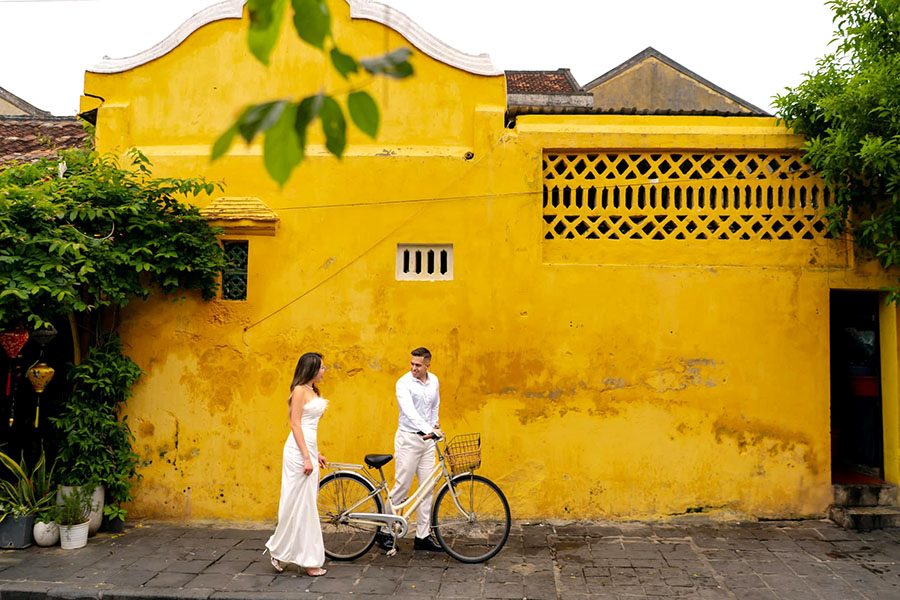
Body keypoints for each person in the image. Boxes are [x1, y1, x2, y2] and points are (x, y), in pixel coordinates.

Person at [265, 352, 329, 576]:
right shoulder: (300, 391)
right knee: (298, 504)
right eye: (321, 367)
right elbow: (295, 425)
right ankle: (306, 560)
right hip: (297, 453)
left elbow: (310, 428)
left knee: (305, 503)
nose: (324, 371)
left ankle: (281, 551)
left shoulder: (313, 391)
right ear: (311, 369)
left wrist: (316, 452)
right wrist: (305, 456)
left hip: (307, 449)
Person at [376, 347, 444, 552]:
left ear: (427, 365)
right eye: (412, 364)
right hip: (408, 439)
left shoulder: (434, 381)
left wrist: (434, 426)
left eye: (418, 365)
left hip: (428, 441)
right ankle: (385, 531)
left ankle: (423, 536)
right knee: (402, 487)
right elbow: (410, 412)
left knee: (427, 488)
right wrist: (429, 429)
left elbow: (434, 406)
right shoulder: (403, 383)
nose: (413, 368)